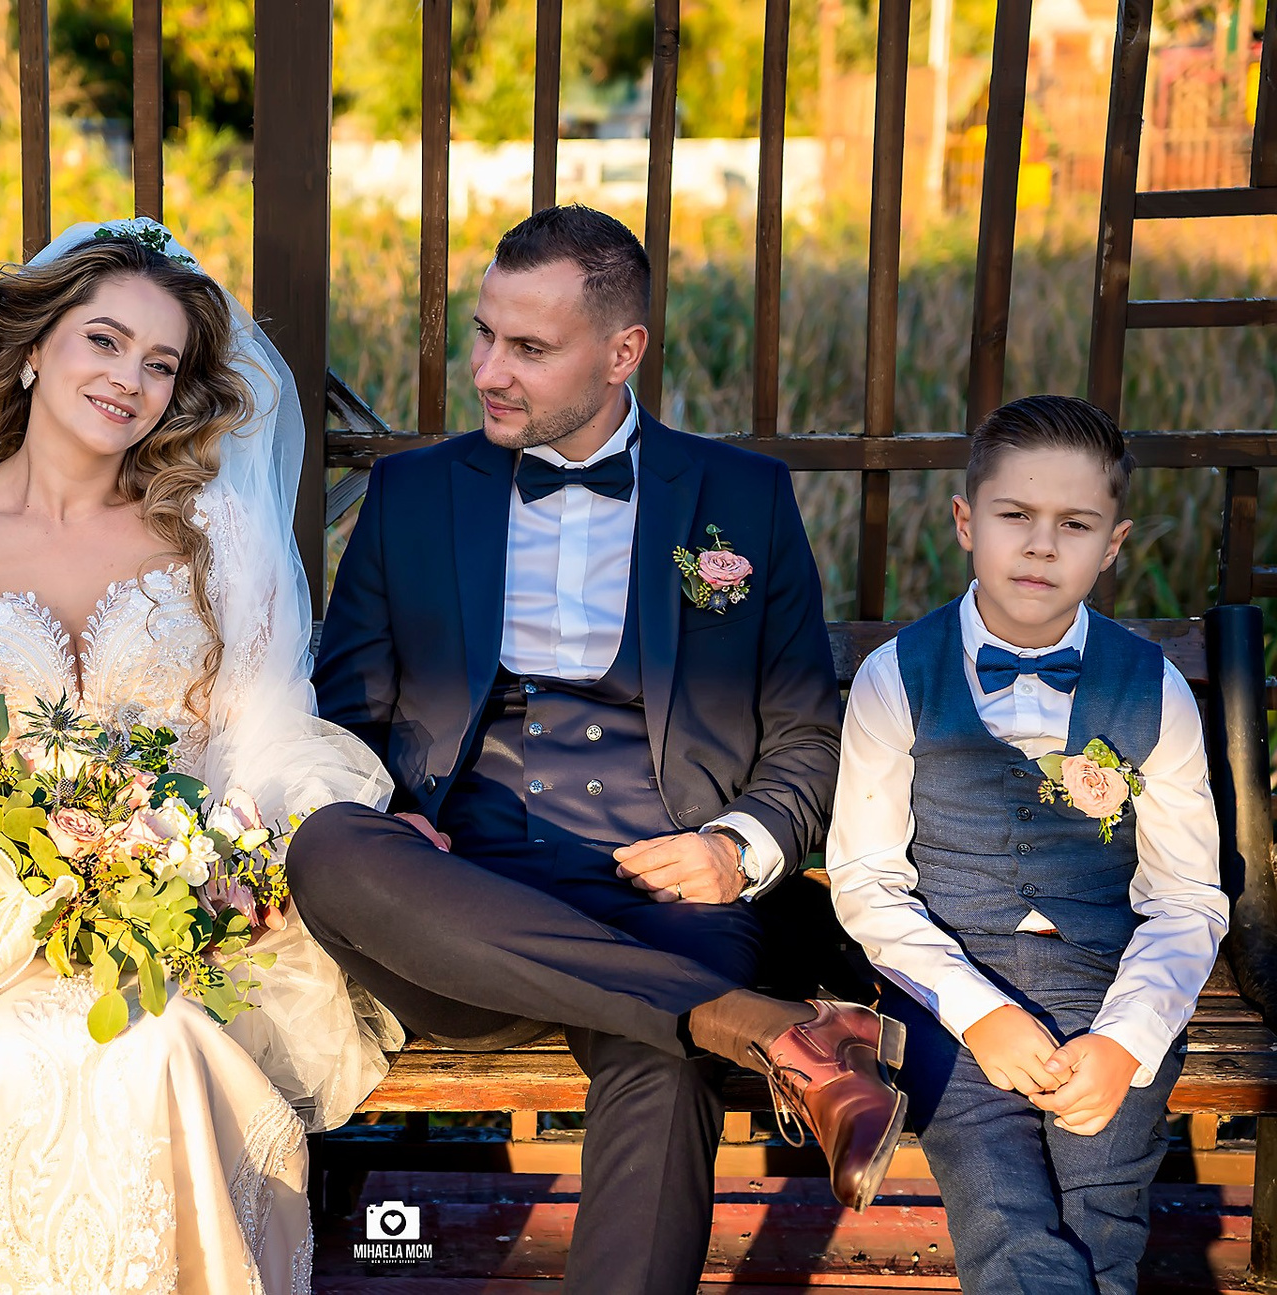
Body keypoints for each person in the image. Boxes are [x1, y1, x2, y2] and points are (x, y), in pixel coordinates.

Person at [285, 203, 908, 1295]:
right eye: (485, 334)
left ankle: (725, 1021)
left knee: (664, 1061)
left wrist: (737, 847)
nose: (489, 370)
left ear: (623, 353)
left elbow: (807, 731)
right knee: (329, 843)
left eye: (529, 347)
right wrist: (390, 811)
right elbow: (344, 715)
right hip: (466, 906)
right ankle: (769, 1032)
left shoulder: (741, 498)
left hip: (672, 896)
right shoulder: (413, 495)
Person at [0, 219, 398, 1295]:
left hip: (188, 904)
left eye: (159, 363)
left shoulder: (213, 535)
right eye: (103, 341)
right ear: (34, 348)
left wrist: (236, 874)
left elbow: (266, 729)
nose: (128, 381)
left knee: (157, 1045)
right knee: (12, 1063)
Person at [826, 394, 1228, 1293]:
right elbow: (866, 879)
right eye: (1016, 516)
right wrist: (980, 1011)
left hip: (1108, 983)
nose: (1042, 546)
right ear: (968, 522)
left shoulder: (1154, 688)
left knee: (1102, 1207)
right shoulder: (897, 677)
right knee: (1000, 1205)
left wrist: (1125, 1041)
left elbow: (1187, 896)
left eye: (1074, 524)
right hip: (946, 987)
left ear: (1112, 544)